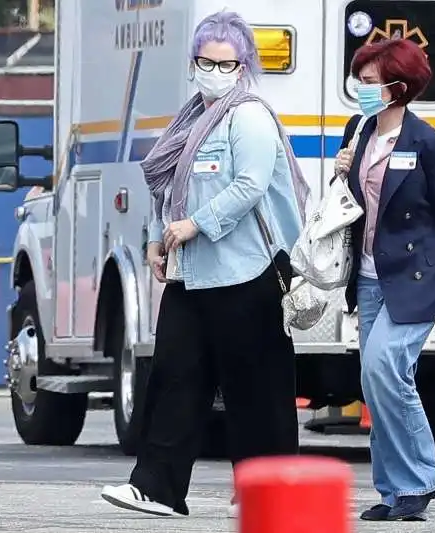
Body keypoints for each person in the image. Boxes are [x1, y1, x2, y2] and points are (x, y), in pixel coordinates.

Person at [100, 10, 309, 519]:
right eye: (205, 61)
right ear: (193, 61)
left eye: (226, 63)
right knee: (173, 379)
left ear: (243, 66)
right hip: (192, 277)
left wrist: (195, 226)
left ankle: (271, 495)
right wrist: (156, 239)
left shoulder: (250, 116)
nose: (214, 70)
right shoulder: (190, 119)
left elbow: (250, 185)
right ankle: (156, 487)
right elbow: (168, 187)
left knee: (256, 394)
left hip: (247, 275)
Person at [334, 38, 435, 521]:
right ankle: (393, 491)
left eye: (368, 81)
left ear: (398, 88)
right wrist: (342, 172)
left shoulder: (430, 145)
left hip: (418, 278)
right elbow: (349, 206)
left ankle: (420, 479)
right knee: (373, 379)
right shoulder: (357, 131)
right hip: (366, 277)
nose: (359, 88)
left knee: (385, 368)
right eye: (358, 78)